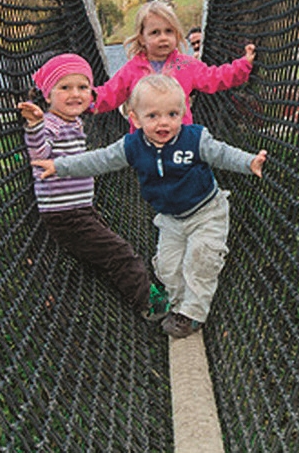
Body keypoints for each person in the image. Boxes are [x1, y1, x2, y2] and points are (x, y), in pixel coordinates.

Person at [32, 74, 267, 339]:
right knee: (168, 268)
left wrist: (249, 162)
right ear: (135, 118)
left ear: (183, 112)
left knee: (201, 259)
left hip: (206, 212)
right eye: (153, 116)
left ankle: (192, 315)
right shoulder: (132, 146)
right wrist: (59, 166)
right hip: (170, 219)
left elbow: (222, 153)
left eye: (172, 114)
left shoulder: (194, 139)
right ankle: (179, 304)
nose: (163, 122)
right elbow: (98, 160)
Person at [18, 53, 169, 322]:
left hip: (79, 209)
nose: (75, 94)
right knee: (120, 252)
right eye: (64, 88)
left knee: (111, 251)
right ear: (48, 93)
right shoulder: (50, 123)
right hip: (65, 214)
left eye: (83, 87)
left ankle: (143, 296)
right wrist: (34, 125)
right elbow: (39, 154)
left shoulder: (73, 121)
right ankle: (152, 305)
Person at [92, 0, 255, 130]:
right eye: (155, 33)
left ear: (176, 34)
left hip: (180, 138)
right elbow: (109, 94)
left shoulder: (186, 65)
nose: (163, 37)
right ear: (142, 38)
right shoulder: (132, 70)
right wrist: (84, 99)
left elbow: (214, 77)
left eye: (168, 31)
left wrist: (243, 66)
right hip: (145, 143)